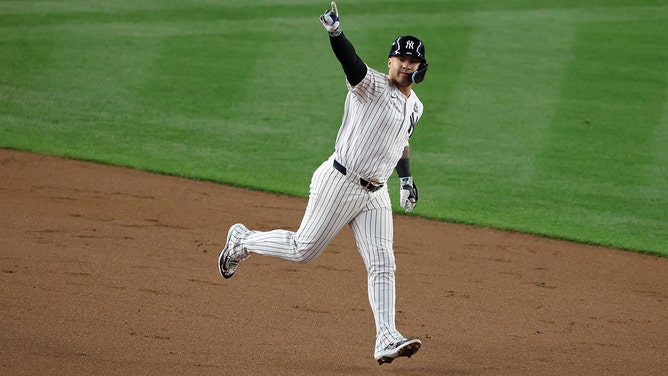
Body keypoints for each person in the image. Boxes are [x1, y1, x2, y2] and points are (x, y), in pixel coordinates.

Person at [218, 1, 428, 365]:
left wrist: (406, 180)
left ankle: (385, 337)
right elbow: (351, 61)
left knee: (382, 262)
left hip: (376, 194)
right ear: (390, 60)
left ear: (420, 68)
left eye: (412, 61)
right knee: (303, 250)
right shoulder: (370, 85)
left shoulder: (416, 106)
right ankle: (242, 240)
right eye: (400, 58)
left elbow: (400, 142)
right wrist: (336, 33)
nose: (405, 64)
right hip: (340, 182)